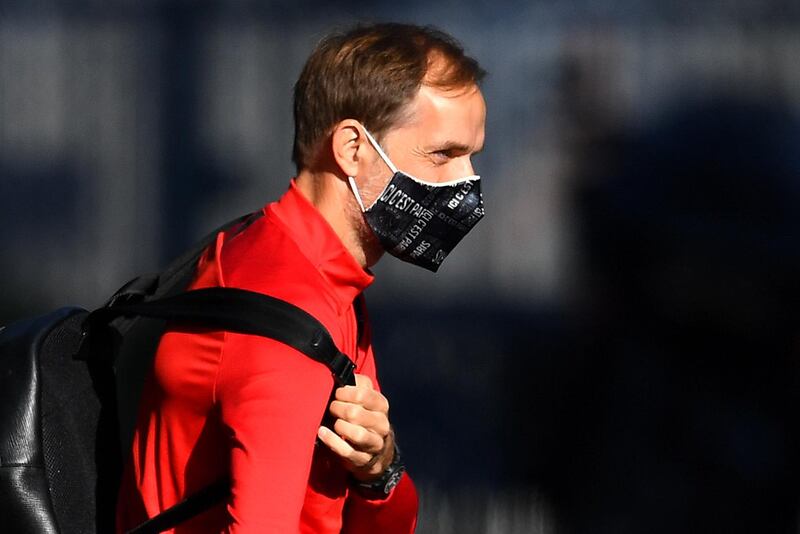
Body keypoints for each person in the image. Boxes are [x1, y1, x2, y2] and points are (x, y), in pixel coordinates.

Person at [116, 22, 487, 533]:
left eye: (472, 157)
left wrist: (379, 471)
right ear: (353, 149)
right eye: (443, 154)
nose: (465, 184)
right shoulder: (285, 311)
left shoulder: (300, 266)